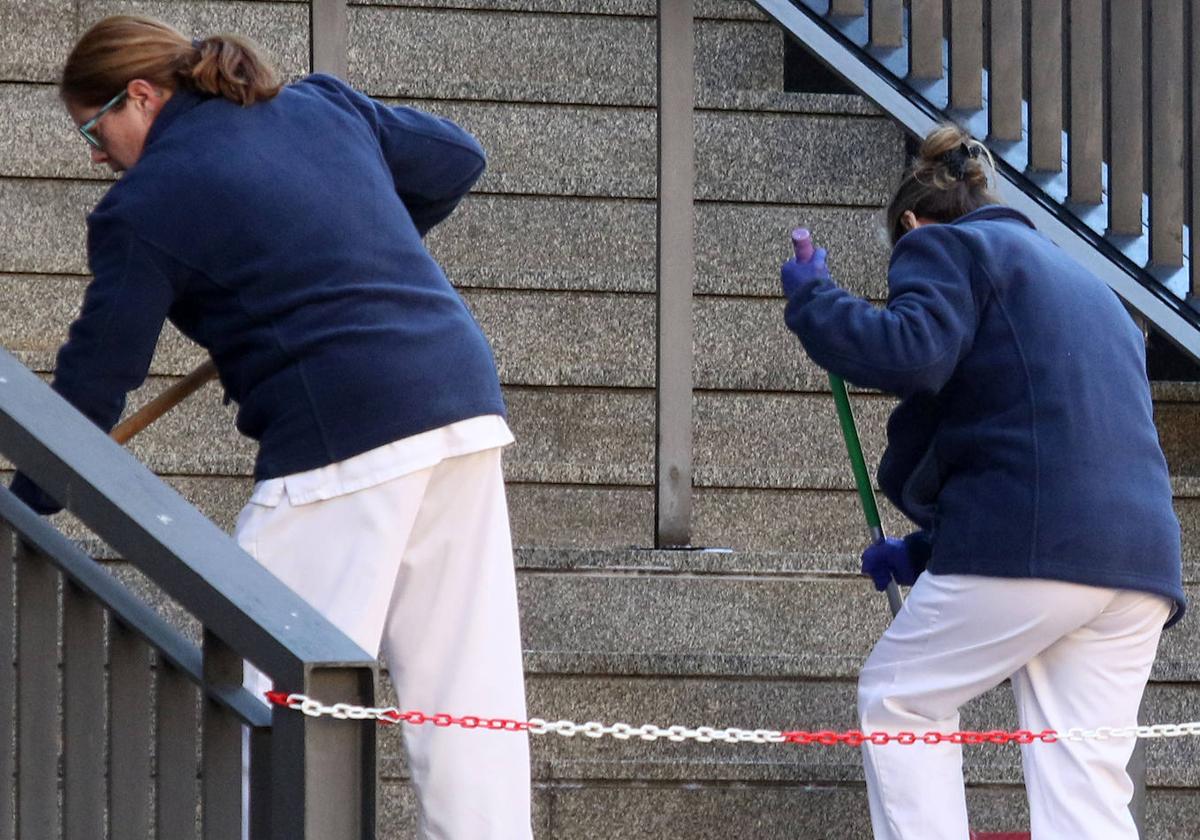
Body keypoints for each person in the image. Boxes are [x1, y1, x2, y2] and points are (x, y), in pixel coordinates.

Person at [11, 14, 532, 839]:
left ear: (140, 96)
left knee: (263, 690)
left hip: (341, 436)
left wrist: (28, 493)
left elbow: (97, 377)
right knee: (468, 697)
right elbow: (456, 159)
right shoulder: (321, 105)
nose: (96, 155)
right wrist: (336, 246)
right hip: (458, 402)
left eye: (93, 128)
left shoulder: (145, 204)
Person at [779, 124, 1186, 840]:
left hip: (1035, 544)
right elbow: (1039, 422)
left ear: (910, 222)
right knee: (1082, 784)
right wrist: (931, 547)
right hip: (1139, 563)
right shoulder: (1088, 287)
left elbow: (910, 354)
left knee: (901, 697)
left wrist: (817, 301)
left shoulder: (944, 247)